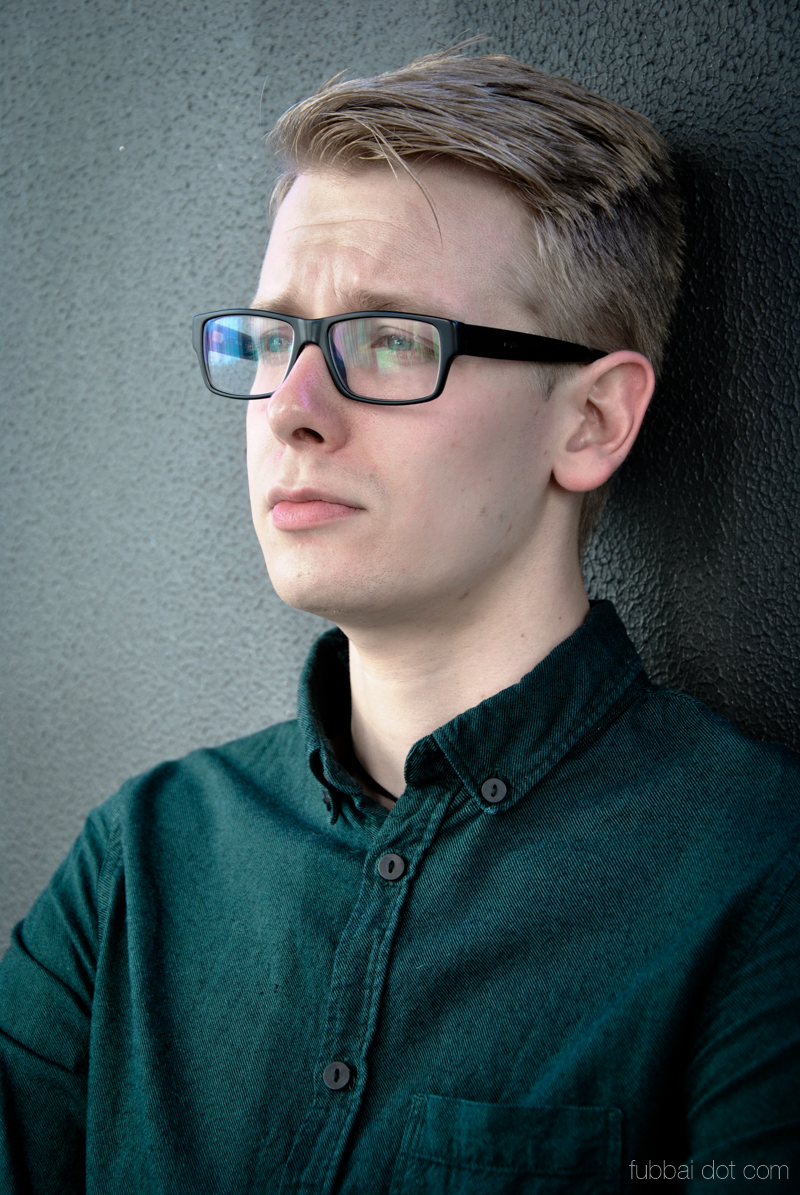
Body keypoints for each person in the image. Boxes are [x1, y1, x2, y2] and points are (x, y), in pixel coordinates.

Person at [1, 50, 798, 1194]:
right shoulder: (140, 859)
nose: (291, 409)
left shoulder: (756, 873)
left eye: (387, 341)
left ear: (589, 419)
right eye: (271, 340)